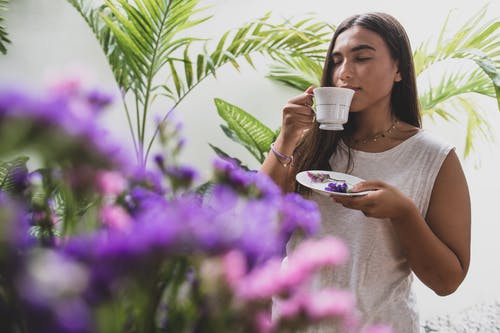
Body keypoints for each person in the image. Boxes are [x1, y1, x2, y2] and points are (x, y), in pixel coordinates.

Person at [260, 12, 471, 332]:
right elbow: (257, 223)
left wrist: (403, 213)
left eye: (361, 58)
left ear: (398, 69)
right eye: (336, 60)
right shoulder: (307, 145)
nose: (343, 73)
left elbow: (446, 281)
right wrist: (286, 138)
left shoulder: (433, 158)